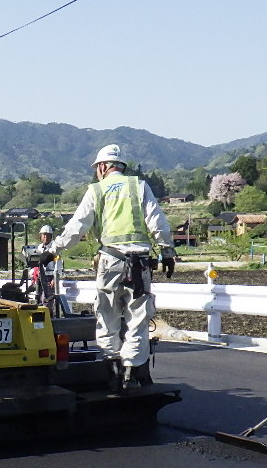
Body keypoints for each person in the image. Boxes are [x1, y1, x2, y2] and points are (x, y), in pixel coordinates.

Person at [52, 144, 175, 388]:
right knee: (137, 320)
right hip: (139, 264)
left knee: (107, 316)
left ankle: (113, 368)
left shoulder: (96, 191)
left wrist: (52, 250)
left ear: (103, 167)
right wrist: (167, 251)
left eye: (98, 167)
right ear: (121, 166)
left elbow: (77, 227)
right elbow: (157, 221)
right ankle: (131, 372)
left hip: (110, 261)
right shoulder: (139, 186)